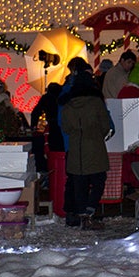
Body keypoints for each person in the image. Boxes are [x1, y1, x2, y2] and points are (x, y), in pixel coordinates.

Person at [60, 70, 113, 228]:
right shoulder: (96, 102)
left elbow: (66, 128)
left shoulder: (68, 105)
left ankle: (82, 213)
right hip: (95, 146)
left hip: (76, 148)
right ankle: (89, 211)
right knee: (99, 181)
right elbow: (105, 125)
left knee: (79, 184)